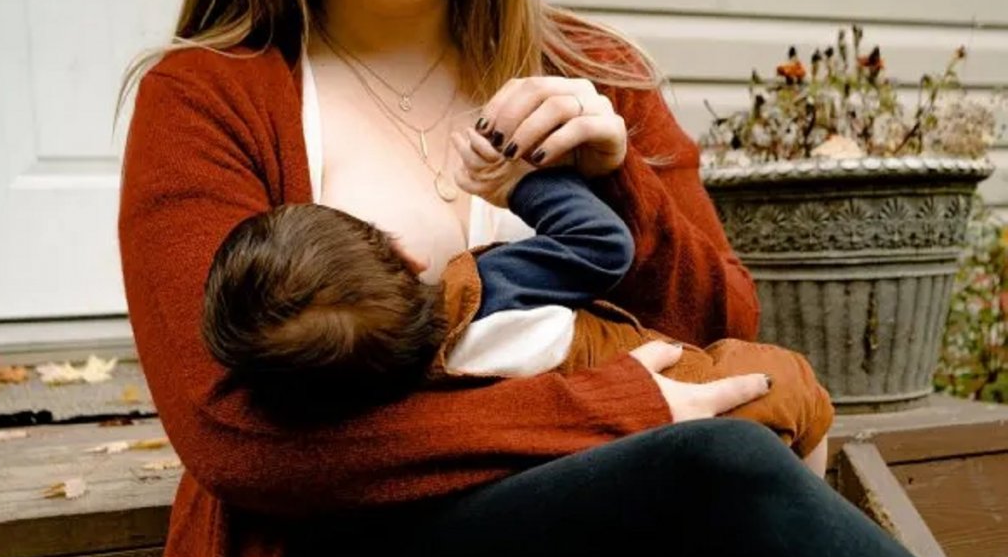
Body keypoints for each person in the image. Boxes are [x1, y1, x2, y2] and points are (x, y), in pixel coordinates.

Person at [57, 0, 1008, 557]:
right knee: (716, 476)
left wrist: (619, 180)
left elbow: (723, 337)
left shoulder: (596, 72)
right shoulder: (209, 95)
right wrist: (616, 408)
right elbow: (236, 432)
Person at [202, 156, 832, 471]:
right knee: (799, 391)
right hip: (698, 389)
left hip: (621, 465)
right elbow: (602, 244)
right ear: (404, 254)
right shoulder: (492, 289)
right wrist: (521, 184)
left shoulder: (405, 399)